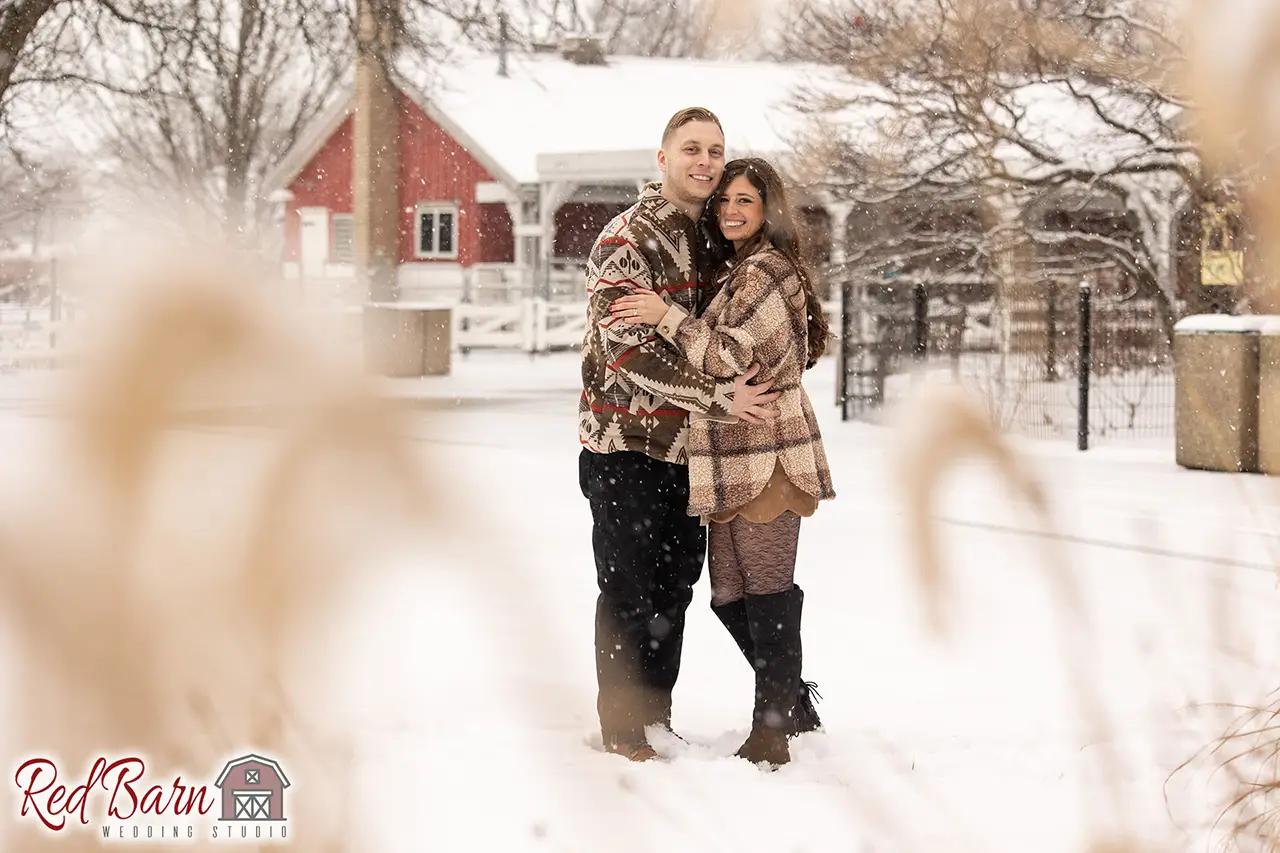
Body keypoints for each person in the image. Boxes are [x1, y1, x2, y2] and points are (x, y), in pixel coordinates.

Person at [610, 157, 836, 767]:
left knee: (766, 591)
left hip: (769, 453)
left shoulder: (766, 271)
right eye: (726, 201)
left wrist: (665, 315)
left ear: (768, 211)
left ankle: (773, 730)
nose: (732, 211)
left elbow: (731, 355)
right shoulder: (738, 268)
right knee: (729, 595)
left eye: (747, 201)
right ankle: (791, 699)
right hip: (730, 456)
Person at [579, 110, 782, 762]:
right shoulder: (626, 239)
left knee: (675, 586)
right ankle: (622, 730)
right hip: (626, 446)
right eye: (691, 148)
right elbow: (628, 355)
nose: (705, 160)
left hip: (686, 451)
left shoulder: (714, 242)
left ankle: (656, 716)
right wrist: (718, 394)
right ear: (661, 156)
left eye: (715, 151)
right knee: (628, 588)